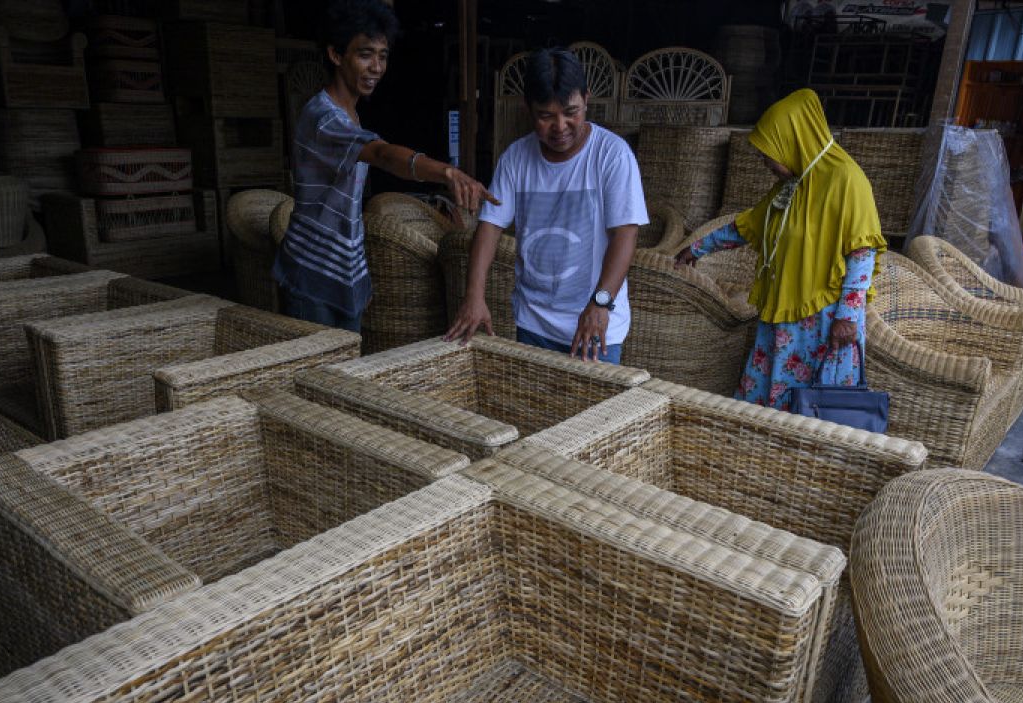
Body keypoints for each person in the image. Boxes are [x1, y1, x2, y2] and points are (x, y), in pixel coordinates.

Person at [274, 0, 496, 332]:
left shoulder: (350, 113)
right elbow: (382, 155)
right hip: (311, 275)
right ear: (336, 55)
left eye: (382, 55)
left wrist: (358, 275)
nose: (376, 66)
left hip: (342, 274)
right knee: (319, 377)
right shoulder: (322, 117)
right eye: (365, 54)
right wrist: (447, 172)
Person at [675, 89, 886, 410]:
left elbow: (862, 254)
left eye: (770, 152)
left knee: (814, 407)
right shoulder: (792, 185)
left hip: (823, 321)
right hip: (783, 314)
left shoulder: (847, 181)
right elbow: (748, 226)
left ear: (795, 138)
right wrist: (698, 248)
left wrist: (847, 317)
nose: (765, 162)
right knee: (764, 397)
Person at [444, 47, 647, 363]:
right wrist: (474, 295)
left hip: (595, 323)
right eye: (546, 116)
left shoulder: (613, 155)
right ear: (528, 109)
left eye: (571, 112)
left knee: (596, 411)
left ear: (587, 98)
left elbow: (625, 234)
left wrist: (601, 303)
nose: (560, 126)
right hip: (533, 321)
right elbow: (490, 227)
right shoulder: (515, 158)